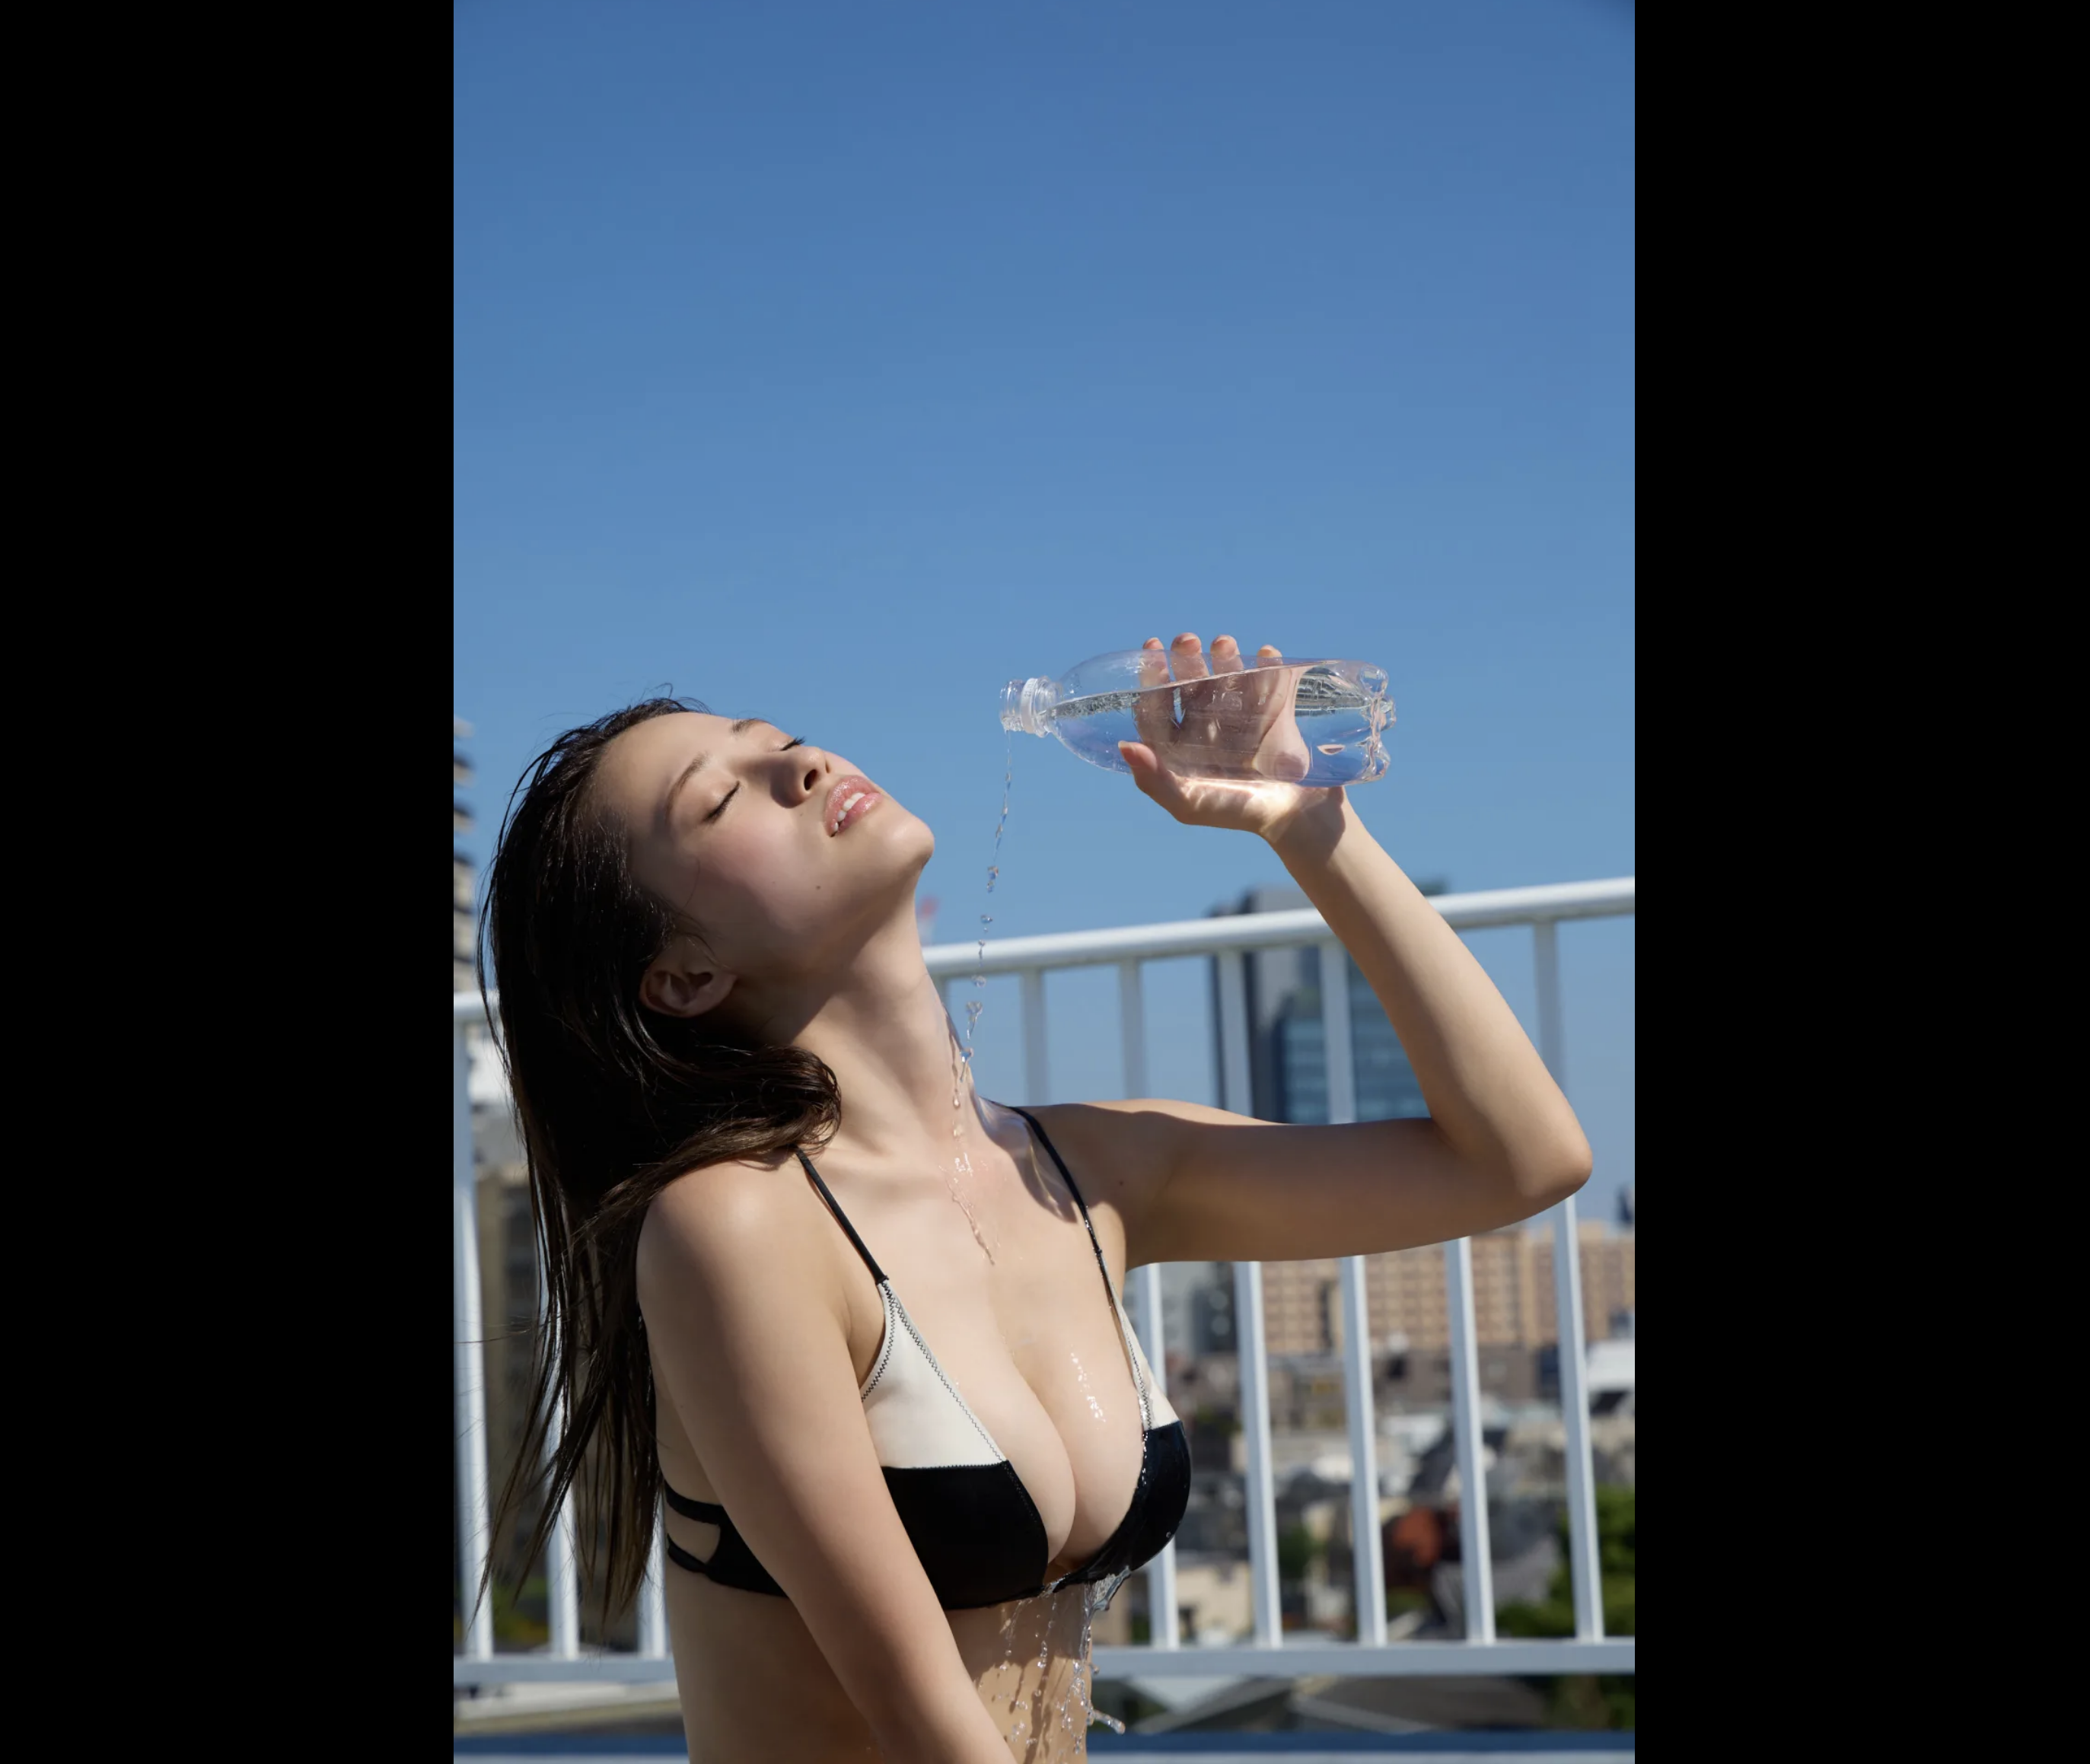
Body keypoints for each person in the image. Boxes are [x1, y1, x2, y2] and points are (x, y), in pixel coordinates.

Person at [477, 633, 1591, 1762]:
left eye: (783, 742)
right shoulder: (737, 1225)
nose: (799, 766)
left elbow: (1517, 1162)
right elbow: (917, 1716)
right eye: (719, 800)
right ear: (683, 976)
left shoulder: (1084, 1171)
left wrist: (1304, 823)